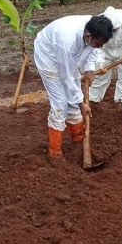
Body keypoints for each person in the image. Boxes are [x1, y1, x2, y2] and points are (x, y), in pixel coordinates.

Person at [33, 15, 113, 159]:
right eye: (98, 43)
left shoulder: (93, 27)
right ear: (88, 35)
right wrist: (81, 103)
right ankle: (55, 152)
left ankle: (78, 142)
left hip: (68, 57)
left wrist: (89, 69)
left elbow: (93, 49)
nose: (100, 47)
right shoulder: (66, 41)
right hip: (48, 56)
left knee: (74, 103)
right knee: (60, 105)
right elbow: (67, 76)